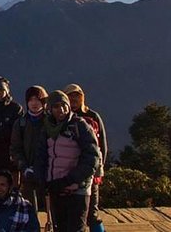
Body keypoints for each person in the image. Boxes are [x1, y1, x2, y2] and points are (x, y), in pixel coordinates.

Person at [34, 91, 100, 232]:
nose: (61, 110)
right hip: (56, 188)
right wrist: (42, 181)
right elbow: (40, 157)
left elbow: (92, 157)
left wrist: (71, 180)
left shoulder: (80, 126)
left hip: (77, 189)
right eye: (56, 106)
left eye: (64, 105)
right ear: (50, 109)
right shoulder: (47, 129)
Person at [63, 83, 107, 232]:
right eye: (70, 96)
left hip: (90, 171)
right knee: (71, 212)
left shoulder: (92, 116)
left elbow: (102, 145)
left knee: (92, 213)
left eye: (77, 95)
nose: (74, 99)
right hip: (68, 171)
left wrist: (98, 168)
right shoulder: (62, 118)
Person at [10, 86, 48, 211]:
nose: (34, 103)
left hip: (48, 173)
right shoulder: (20, 123)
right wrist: (24, 167)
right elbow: (15, 149)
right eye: (31, 100)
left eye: (38, 99)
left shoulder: (51, 122)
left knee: (52, 212)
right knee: (29, 211)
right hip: (27, 176)